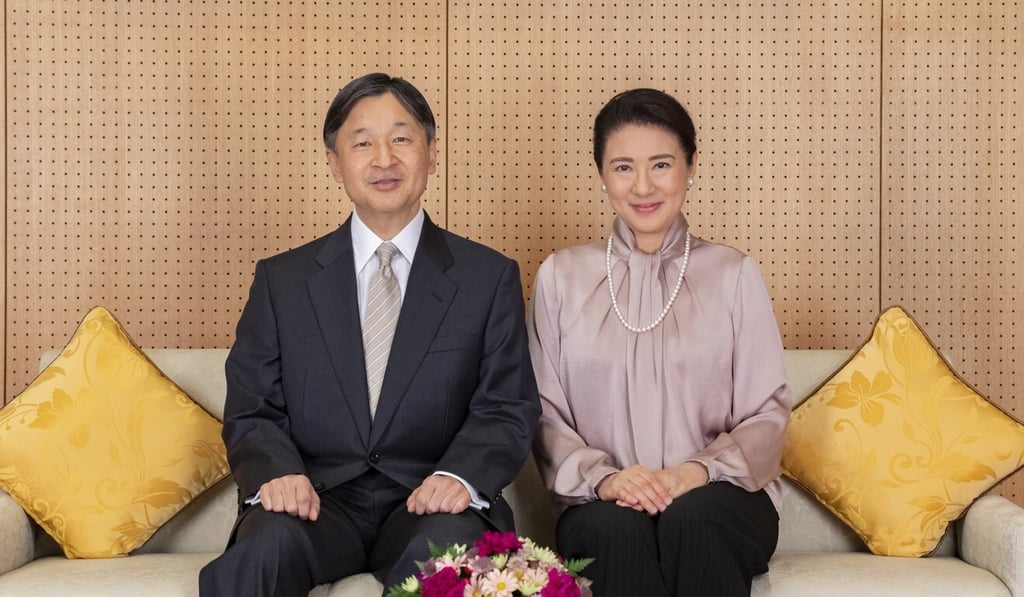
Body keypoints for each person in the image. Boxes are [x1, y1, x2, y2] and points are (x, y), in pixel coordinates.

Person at [199, 72, 541, 596]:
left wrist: (460, 478)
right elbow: (253, 406)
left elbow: (506, 406)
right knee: (264, 550)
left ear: (431, 152)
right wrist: (278, 473)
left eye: (402, 139)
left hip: (432, 499)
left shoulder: (487, 277)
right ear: (335, 164)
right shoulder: (282, 281)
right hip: (315, 500)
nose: (384, 159)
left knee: (452, 561)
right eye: (362, 143)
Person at [527, 88, 792, 596]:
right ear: (602, 174)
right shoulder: (562, 277)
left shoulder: (734, 275)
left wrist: (697, 471)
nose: (643, 186)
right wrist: (605, 479)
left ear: (692, 166)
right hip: (600, 502)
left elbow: (768, 414)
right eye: (623, 167)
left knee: (691, 520)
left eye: (662, 164)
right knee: (613, 530)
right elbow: (543, 412)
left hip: (722, 496)